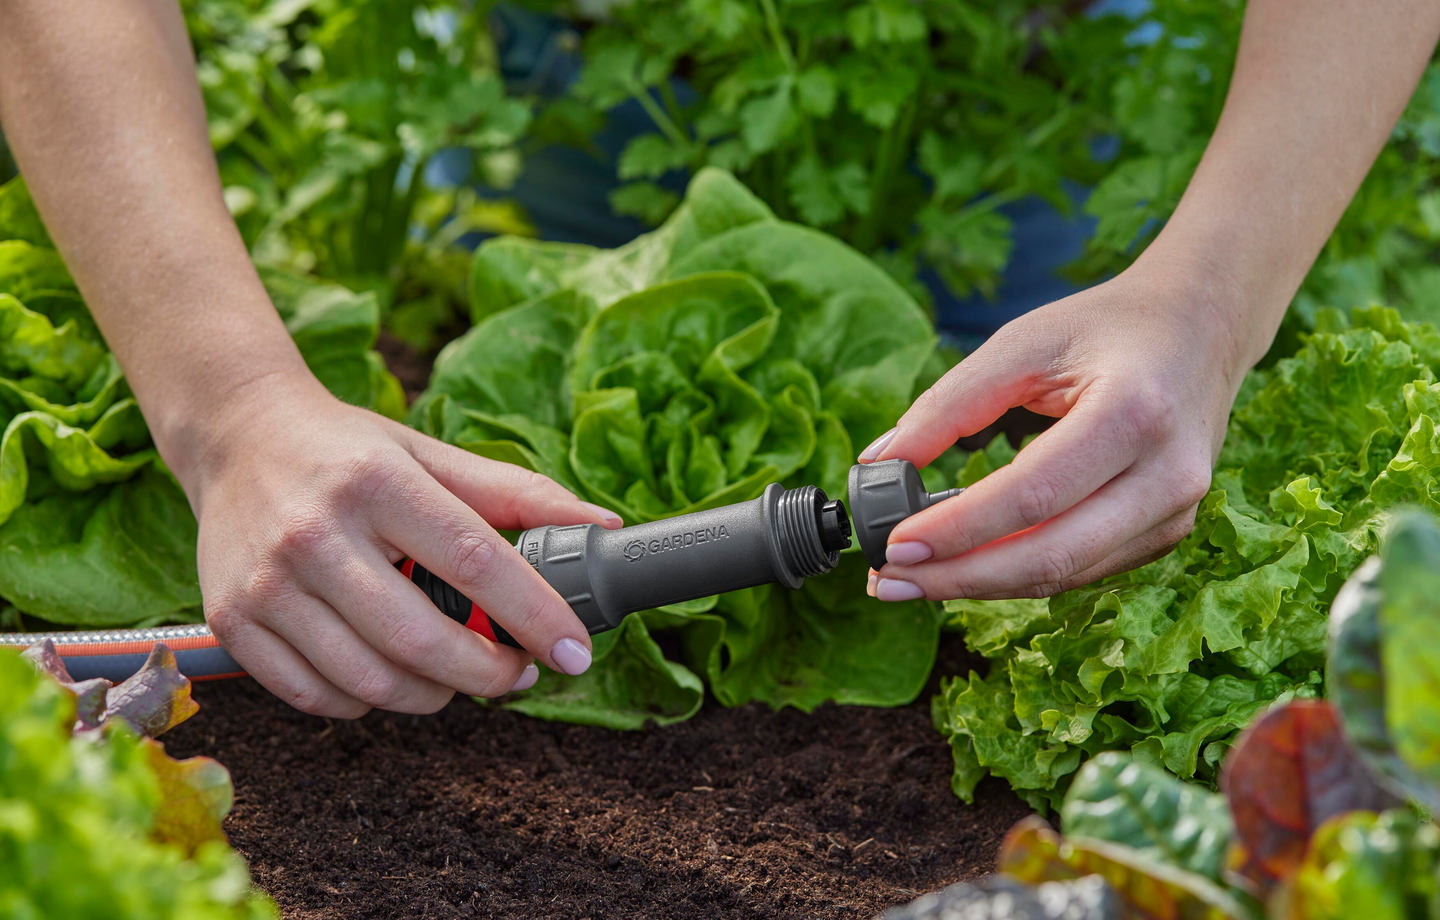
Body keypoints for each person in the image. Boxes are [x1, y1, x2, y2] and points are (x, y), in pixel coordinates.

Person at [1, 0, 1436, 719]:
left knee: (1070, 478)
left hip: (1037, 107)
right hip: (585, 74)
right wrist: (235, 406)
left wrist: (1205, 299)